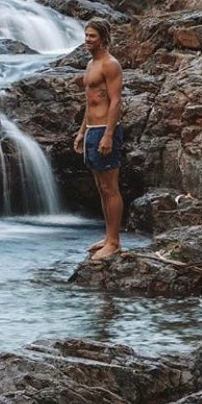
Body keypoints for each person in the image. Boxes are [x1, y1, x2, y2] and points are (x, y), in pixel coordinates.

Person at [72, 18, 124, 261]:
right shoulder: (91, 64)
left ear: (103, 38)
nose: (87, 40)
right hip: (93, 130)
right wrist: (82, 131)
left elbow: (115, 101)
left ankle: (114, 242)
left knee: (110, 188)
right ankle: (107, 236)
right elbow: (90, 101)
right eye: (86, 36)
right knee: (101, 189)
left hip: (105, 129)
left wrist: (109, 134)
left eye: (92, 36)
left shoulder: (110, 65)